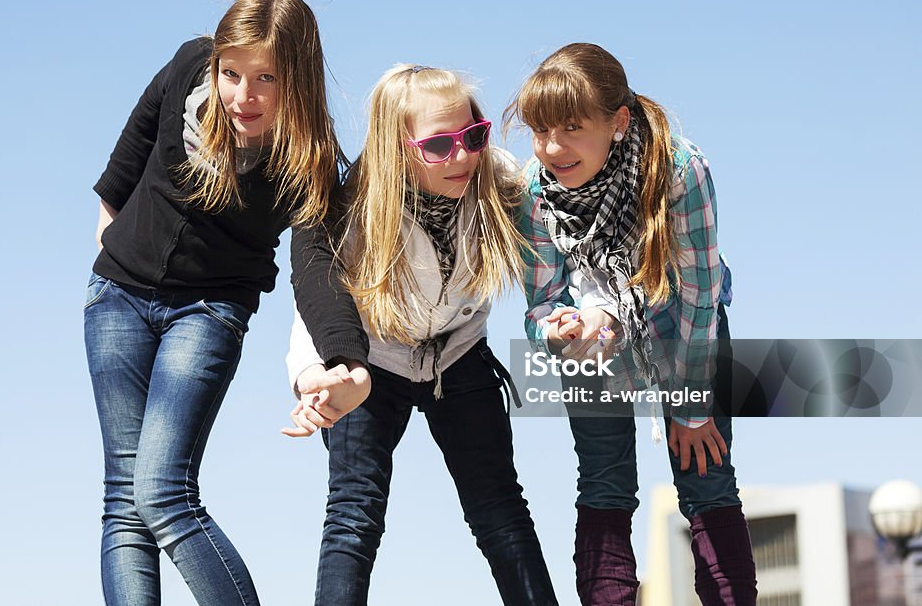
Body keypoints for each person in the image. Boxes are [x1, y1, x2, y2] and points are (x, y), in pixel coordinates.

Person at [83, 0, 370, 606]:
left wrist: (348, 361)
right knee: (123, 500)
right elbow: (126, 161)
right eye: (232, 72)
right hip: (116, 301)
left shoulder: (311, 162)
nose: (244, 95)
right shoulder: (187, 65)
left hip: (207, 313)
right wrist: (111, 252)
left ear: (298, 78)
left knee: (161, 489)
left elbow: (317, 269)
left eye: (267, 77)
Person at [284, 64, 559, 605]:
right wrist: (316, 373)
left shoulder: (499, 181)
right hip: (374, 360)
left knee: (500, 510)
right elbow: (317, 299)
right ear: (397, 149)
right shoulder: (357, 208)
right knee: (353, 512)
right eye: (437, 145)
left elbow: (564, 214)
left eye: (472, 136)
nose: (461, 156)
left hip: (458, 355)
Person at [508, 43, 757, 605]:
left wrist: (692, 409)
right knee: (604, 482)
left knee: (706, 474)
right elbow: (540, 304)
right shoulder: (534, 190)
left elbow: (699, 295)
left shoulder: (677, 169)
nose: (553, 148)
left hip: (681, 327)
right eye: (541, 130)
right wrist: (558, 331)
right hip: (595, 343)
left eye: (572, 127)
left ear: (617, 122)